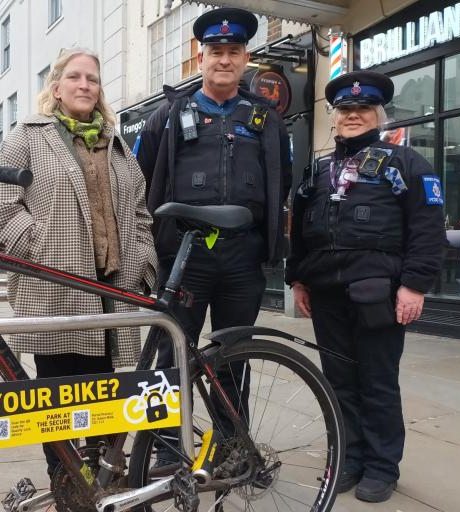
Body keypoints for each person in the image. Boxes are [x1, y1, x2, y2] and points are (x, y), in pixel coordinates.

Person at [0, 48, 158, 478]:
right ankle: (64, 483)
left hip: (109, 291)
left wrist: (143, 264)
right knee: (55, 400)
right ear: (56, 87)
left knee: (100, 394)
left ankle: (100, 478)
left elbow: (139, 212)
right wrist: (41, 251)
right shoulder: (27, 135)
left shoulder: (116, 144)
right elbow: (0, 205)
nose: (85, 85)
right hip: (53, 287)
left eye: (93, 79)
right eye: (75, 77)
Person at [134, 7, 292, 461]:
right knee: (169, 355)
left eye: (234, 52)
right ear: (199, 57)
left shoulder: (266, 119)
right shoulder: (168, 114)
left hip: (242, 260)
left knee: (233, 358)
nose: (224, 59)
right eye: (216, 52)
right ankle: (162, 449)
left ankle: (231, 443)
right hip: (183, 257)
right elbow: (142, 182)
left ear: (246, 59)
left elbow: (280, 178)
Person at [286, 70, 446, 503]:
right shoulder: (317, 171)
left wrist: (414, 286)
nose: (353, 115)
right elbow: (300, 229)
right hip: (326, 294)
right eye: (346, 110)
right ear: (335, 117)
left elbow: (428, 229)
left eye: (362, 109)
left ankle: (381, 466)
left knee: (376, 381)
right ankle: (349, 459)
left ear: (378, 114)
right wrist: (298, 278)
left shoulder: (407, 163)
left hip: (380, 293)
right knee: (339, 381)